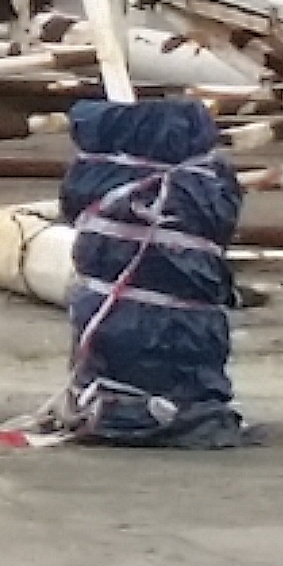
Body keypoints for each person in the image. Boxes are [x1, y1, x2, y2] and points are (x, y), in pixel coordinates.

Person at [54, 94, 257, 449]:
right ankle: (159, 403)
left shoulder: (104, 177)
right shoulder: (200, 184)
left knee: (128, 305)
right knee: (142, 304)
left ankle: (117, 402)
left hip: (139, 325)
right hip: (170, 330)